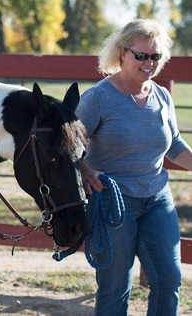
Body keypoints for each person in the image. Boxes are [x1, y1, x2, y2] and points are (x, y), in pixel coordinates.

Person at [76, 18, 192, 316]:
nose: (149, 62)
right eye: (141, 55)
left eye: (155, 56)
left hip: (157, 199)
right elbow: (69, 147)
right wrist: (86, 170)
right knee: (116, 288)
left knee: (169, 280)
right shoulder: (98, 98)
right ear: (123, 53)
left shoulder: (162, 97)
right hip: (113, 202)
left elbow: (175, 145)